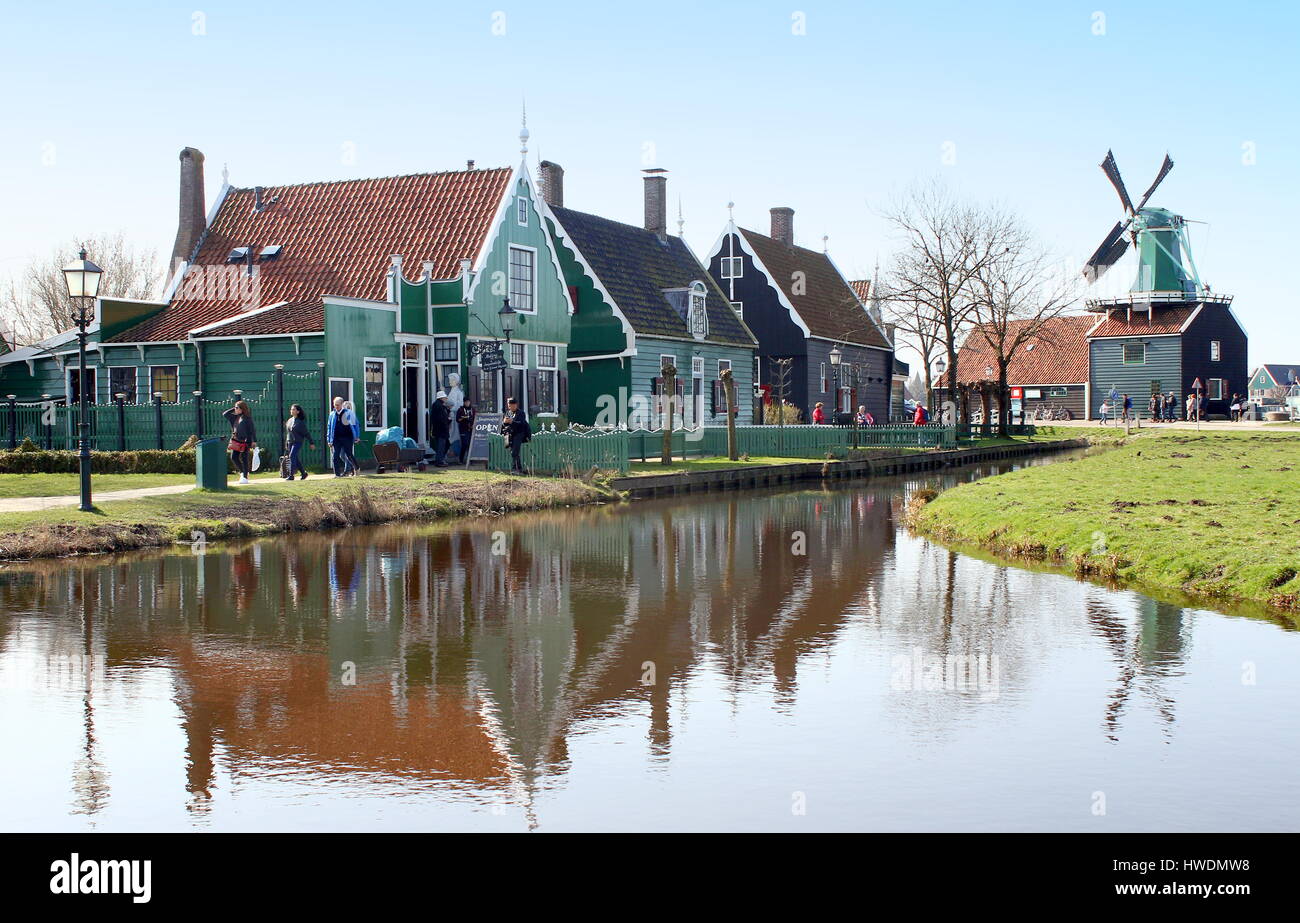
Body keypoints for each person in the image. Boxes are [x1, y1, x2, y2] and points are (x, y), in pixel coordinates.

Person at [223, 400, 257, 485]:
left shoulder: (247, 419)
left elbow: (252, 430)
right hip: (236, 440)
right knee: (234, 457)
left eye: (237, 408)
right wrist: (234, 408)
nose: (235, 409)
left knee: (244, 458)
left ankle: (245, 477)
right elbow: (225, 414)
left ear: (242, 409)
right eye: (235, 407)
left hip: (246, 441)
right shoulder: (235, 417)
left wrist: (254, 441)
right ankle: (242, 472)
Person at [326, 396, 360, 477]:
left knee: (349, 454)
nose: (336, 406)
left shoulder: (349, 413)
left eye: (337, 405)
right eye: (334, 405)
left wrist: (357, 436)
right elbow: (329, 427)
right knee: (335, 456)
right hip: (336, 438)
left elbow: (356, 425)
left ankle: (357, 468)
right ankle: (337, 474)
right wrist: (329, 440)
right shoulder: (332, 414)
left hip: (347, 437)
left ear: (342, 404)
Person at [501, 396, 531, 473]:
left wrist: (511, 422)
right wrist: (504, 422)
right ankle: (519, 468)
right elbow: (504, 424)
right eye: (509, 405)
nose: (510, 407)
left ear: (516, 405)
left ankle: (515, 469)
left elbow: (521, 424)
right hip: (511, 434)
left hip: (520, 433)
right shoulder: (508, 413)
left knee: (515, 451)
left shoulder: (521, 413)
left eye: (512, 405)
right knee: (513, 452)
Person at [284, 404, 315, 480]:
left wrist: (311, 443)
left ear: (298, 411)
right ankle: (303, 473)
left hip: (297, 442)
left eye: (293, 409)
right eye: (291, 409)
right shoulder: (290, 420)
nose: (291, 411)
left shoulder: (300, 422)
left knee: (292, 456)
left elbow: (306, 433)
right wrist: (286, 443)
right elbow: (288, 433)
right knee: (295, 458)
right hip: (290, 442)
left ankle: (291, 475)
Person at [445, 372, 465, 461]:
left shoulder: (459, 392)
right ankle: (450, 452)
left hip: (455, 417)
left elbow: (460, 405)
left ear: (456, 381)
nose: (449, 382)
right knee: (450, 434)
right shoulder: (451, 391)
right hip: (450, 416)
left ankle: (455, 452)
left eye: (451, 380)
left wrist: (451, 408)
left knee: (454, 434)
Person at [430, 389, 452, 467]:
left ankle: (440, 459)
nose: (446, 399)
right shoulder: (438, 406)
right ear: (441, 398)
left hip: (440, 429)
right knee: (441, 446)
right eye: (445, 397)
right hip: (441, 430)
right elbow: (441, 418)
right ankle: (439, 461)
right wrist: (447, 420)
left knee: (445, 445)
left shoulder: (439, 405)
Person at [455, 397, 475, 464]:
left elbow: (475, 418)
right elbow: (457, 420)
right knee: (464, 444)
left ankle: (470, 460)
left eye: (468, 402)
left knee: (470, 444)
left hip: (471, 429)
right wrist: (463, 418)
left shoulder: (472, 409)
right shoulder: (460, 410)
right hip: (463, 429)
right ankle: (460, 459)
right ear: (464, 402)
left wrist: (473, 424)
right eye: (466, 402)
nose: (467, 403)